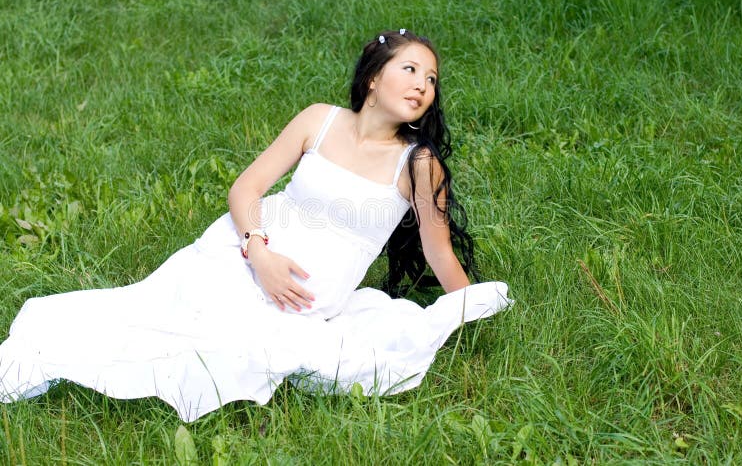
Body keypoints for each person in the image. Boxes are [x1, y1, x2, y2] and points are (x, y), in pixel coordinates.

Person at [0, 30, 510, 422]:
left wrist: (467, 314)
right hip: (244, 250)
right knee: (152, 321)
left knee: (229, 346)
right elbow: (246, 190)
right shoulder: (320, 120)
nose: (424, 84)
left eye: (433, 78)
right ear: (374, 77)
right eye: (412, 69)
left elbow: (439, 252)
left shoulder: (417, 163)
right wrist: (258, 252)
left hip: (306, 298)